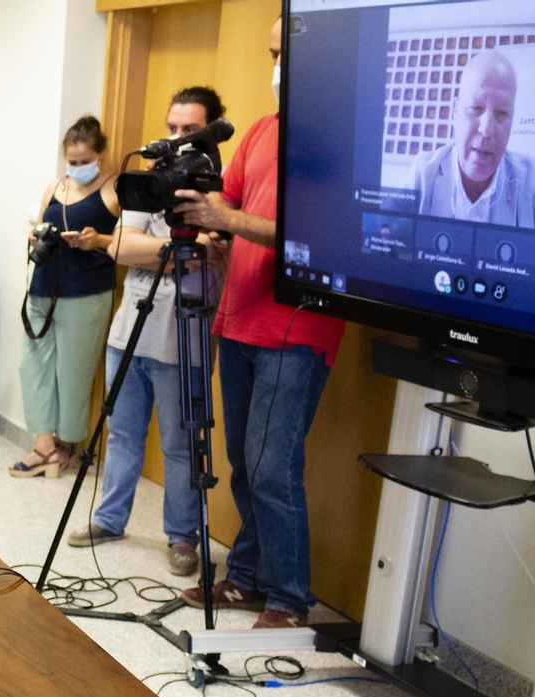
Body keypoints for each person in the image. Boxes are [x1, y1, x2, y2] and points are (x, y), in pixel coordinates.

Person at [172, 16, 343, 628]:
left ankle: (290, 598)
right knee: (247, 463)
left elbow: (315, 238)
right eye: (273, 52)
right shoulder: (262, 130)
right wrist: (211, 225)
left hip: (296, 328)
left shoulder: (339, 139)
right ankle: (245, 577)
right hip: (238, 316)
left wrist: (231, 221)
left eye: (287, 53)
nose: (277, 66)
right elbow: (234, 208)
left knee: (273, 467)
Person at [65, 88, 226, 578]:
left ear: (211, 132)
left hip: (185, 337)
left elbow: (207, 253)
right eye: (172, 127)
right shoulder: (148, 181)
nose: (176, 138)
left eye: (189, 130)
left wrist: (154, 248)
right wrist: (176, 249)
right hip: (129, 330)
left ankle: (182, 537)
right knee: (123, 433)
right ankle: (110, 519)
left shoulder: (220, 191)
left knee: (180, 444)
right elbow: (119, 248)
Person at [13, 116, 120, 477]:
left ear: (100, 156)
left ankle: (66, 444)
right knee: (34, 367)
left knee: (73, 372)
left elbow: (125, 242)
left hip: (85, 293)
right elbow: (40, 225)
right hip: (43, 287)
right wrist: (35, 236)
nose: (77, 168)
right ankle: (42, 445)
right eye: (71, 162)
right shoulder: (56, 186)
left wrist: (97, 241)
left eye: (83, 161)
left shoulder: (113, 189)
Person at [385, 51, 535, 231]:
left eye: (501, 113)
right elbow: (381, 227)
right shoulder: (424, 173)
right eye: (475, 108)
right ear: (455, 111)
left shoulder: (533, 181)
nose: (486, 129)